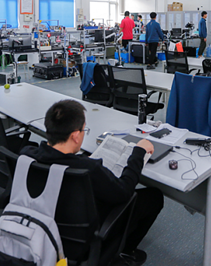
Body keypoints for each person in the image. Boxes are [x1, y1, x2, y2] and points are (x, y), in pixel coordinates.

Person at [21, 100, 164, 266]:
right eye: (84, 130)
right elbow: (124, 192)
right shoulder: (88, 169)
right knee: (153, 197)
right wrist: (138, 153)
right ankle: (125, 251)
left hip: (40, 229)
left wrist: (80, 159)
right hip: (80, 244)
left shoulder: (27, 155)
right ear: (75, 136)